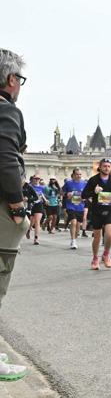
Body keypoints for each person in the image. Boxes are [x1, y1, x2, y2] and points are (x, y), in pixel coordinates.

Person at [0, 48, 30, 381]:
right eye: (20, 79)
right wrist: (18, 207)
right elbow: (6, 159)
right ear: (11, 79)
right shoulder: (7, 110)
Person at [82, 158, 111, 269]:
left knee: (110, 235)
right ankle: (95, 258)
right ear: (99, 167)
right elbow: (83, 195)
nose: (107, 168)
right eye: (104, 166)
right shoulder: (93, 180)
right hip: (97, 211)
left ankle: (106, 254)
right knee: (97, 237)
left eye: (109, 166)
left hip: (109, 210)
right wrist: (94, 192)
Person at [62, 168, 86, 250]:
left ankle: (75, 238)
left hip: (80, 207)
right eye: (77, 174)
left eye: (80, 174)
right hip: (70, 206)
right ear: (73, 175)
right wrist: (67, 194)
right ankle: (73, 240)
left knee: (78, 226)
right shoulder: (68, 183)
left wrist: (85, 197)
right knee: (73, 222)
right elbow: (61, 192)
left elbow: (87, 194)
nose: (79, 176)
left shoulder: (84, 183)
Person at [27, 175, 46, 245]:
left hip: (39, 205)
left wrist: (45, 200)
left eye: (38, 179)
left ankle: (36, 238)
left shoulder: (42, 187)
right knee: (32, 221)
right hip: (32, 205)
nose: (37, 180)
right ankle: (28, 229)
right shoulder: (29, 187)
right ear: (32, 179)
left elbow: (42, 194)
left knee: (37, 221)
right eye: (35, 178)